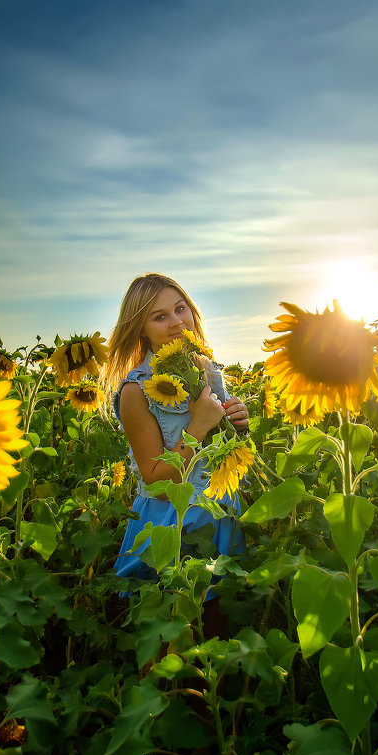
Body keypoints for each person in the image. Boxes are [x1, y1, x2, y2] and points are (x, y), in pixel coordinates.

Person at [102, 272, 248, 635]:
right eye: (159, 316)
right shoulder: (137, 390)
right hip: (173, 523)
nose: (176, 322)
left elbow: (227, 449)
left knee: (218, 630)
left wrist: (239, 425)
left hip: (220, 513)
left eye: (179, 308)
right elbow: (154, 479)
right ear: (142, 330)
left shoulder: (209, 371)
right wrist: (197, 427)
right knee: (175, 631)